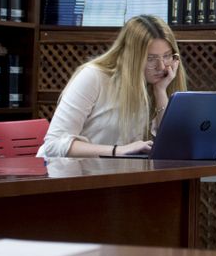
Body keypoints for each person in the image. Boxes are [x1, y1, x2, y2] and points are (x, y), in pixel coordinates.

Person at [39, 14, 186, 158]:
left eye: (167, 56)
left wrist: (160, 91)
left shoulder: (157, 84)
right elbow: (54, 144)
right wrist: (118, 151)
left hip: (121, 171)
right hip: (67, 171)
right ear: (131, 57)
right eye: (150, 58)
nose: (161, 67)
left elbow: (171, 145)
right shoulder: (94, 76)